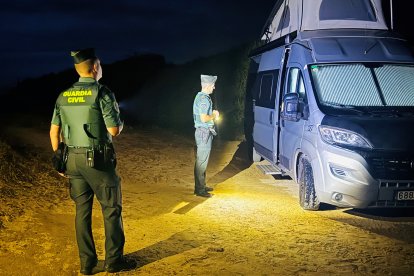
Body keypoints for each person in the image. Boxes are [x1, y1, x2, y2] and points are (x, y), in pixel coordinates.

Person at [49, 48, 135, 274]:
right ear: (95, 67)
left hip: (72, 161)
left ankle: (87, 264)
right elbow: (114, 130)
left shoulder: (64, 95)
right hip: (97, 161)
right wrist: (120, 122)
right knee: (111, 209)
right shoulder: (102, 93)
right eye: (101, 65)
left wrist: (59, 158)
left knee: (82, 212)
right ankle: (113, 261)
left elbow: (53, 131)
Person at [193, 74, 220, 198]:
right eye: (213, 85)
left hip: (202, 132)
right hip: (204, 132)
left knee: (201, 160)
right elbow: (204, 119)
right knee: (201, 162)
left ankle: (201, 185)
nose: (214, 88)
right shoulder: (204, 99)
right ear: (208, 85)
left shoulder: (201, 97)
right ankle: (200, 189)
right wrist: (214, 115)